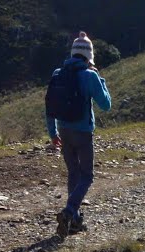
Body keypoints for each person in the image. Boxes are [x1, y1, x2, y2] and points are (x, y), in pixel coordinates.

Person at [47, 31, 112, 238]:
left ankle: (74, 221)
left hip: (63, 131)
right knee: (87, 176)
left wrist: (52, 132)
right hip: (83, 132)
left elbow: (49, 104)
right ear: (89, 57)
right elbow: (106, 105)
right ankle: (69, 211)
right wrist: (99, 78)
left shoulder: (58, 73)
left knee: (73, 173)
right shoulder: (90, 75)